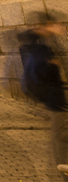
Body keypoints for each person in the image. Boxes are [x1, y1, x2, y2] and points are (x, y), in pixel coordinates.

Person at [20, 11, 68, 172]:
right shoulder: (39, 47)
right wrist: (52, 64)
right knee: (60, 136)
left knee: (58, 135)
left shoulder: (41, 43)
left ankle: (56, 170)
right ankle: (63, 172)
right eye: (54, 25)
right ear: (45, 25)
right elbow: (41, 69)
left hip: (54, 95)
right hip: (55, 97)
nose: (59, 27)